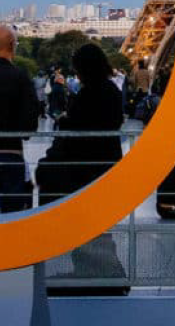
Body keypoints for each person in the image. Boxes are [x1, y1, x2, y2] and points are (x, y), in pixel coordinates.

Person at [36, 43, 123, 205]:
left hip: (83, 161)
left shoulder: (88, 93)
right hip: (107, 158)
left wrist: (63, 119)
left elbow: (77, 125)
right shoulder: (112, 91)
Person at [0, 25, 38, 212]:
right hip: (10, 154)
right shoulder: (21, 78)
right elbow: (29, 126)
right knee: (13, 215)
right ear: (13, 45)